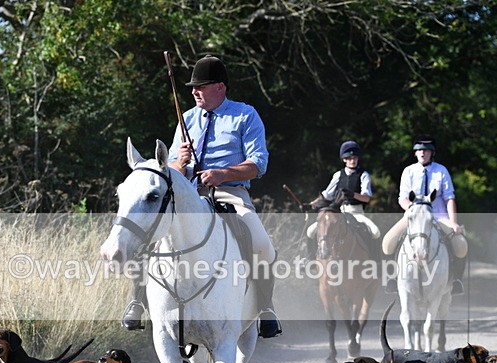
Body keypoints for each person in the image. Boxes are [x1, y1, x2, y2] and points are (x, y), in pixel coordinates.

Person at [120, 55, 281, 338]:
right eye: (193, 87)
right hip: (187, 196)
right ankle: (138, 301)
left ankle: (266, 308)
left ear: (220, 87)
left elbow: (259, 163)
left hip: (230, 193)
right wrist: (178, 163)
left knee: (261, 243)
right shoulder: (187, 119)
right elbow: (167, 169)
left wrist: (223, 174)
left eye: (201, 86)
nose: (194, 91)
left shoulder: (245, 115)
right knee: (151, 232)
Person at [381, 134, 468, 295]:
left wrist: (454, 222)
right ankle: (392, 278)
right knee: (387, 242)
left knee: (461, 244)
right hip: (413, 216)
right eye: (419, 150)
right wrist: (413, 210)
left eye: (426, 150)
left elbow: (449, 198)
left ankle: (456, 280)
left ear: (431, 153)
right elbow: (403, 198)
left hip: (438, 217)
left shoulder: (441, 171)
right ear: (415, 153)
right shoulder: (408, 171)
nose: (423, 153)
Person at [305, 140, 381, 259]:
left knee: (375, 232)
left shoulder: (363, 175)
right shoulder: (338, 175)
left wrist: (352, 194)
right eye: (349, 158)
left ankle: (376, 263)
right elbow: (326, 195)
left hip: (356, 213)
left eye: (355, 157)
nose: (352, 160)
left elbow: (366, 198)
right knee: (311, 231)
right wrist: (310, 205)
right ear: (344, 160)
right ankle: (309, 260)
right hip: (338, 214)